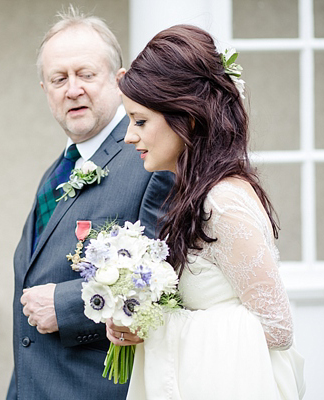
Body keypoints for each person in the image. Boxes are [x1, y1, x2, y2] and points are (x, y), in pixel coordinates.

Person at [106, 25, 306, 399]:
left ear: (188, 117)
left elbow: (277, 328)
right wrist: (136, 317)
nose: (129, 136)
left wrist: (161, 326)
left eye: (140, 121)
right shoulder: (193, 194)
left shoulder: (223, 202)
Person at [6, 7, 173, 400]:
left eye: (86, 74)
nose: (72, 89)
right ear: (45, 90)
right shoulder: (57, 172)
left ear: (119, 81)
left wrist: (64, 305)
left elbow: (166, 284)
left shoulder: (152, 162)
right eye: (58, 79)